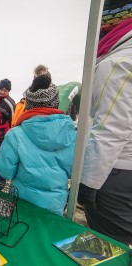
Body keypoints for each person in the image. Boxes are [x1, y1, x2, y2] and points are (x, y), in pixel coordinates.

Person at [78, 17, 132, 246]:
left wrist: (87, 183)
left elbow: (110, 129)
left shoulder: (118, 62)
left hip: (114, 170)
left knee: (111, 244)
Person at [0, 75, 76, 216]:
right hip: (54, 205)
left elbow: (5, 171)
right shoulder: (71, 135)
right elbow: (74, 173)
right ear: (56, 102)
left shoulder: (15, 134)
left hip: (21, 202)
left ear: (29, 104)